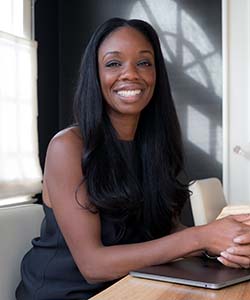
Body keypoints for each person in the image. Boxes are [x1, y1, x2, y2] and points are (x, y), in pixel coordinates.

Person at [16, 17, 250, 300]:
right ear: (95, 73)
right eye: (114, 63)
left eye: (144, 63)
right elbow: (93, 265)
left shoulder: (154, 144)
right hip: (68, 293)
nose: (131, 74)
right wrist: (200, 237)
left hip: (134, 286)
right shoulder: (68, 146)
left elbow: (168, 229)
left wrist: (227, 244)